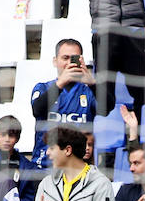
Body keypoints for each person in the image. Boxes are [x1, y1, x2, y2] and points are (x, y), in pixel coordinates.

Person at [27, 125, 115, 201]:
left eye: (52, 148)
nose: (47, 152)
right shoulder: (46, 183)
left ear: (68, 150)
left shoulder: (101, 184)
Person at [28, 37, 95, 169]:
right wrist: (60, 83)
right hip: (44, 168)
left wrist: (92, 83)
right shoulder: (42, 88)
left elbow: (107, 108)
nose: (69, 63)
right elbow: (37, 110)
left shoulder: (89, 91)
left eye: (74, 59)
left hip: (77, 170)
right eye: (65, 58)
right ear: (55, 61)